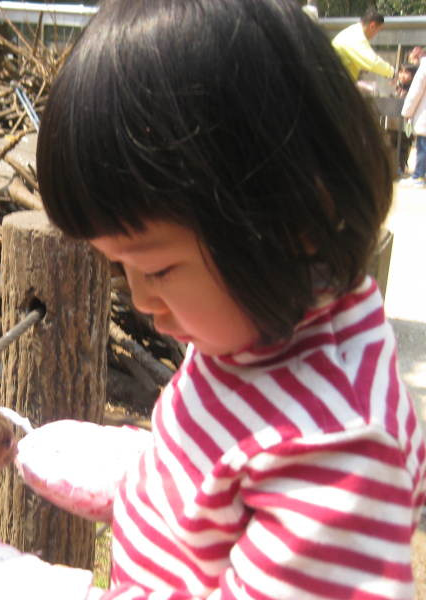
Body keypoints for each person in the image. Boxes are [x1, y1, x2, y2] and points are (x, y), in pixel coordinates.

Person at [34, 1, 426, 598]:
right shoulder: (261, 325)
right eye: (120, 267)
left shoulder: (332, 456)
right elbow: (224, 449)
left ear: (290, 220)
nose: (140, 300)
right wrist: (146, 473)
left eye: (157, 268)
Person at [331, 7, 395, 83]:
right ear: (372, 26)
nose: (376, 34)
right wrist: (393, 73)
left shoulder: (353, 31)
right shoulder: (356, 37)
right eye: (378, 30)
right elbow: (373, 62)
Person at [401, 47, 426, 187]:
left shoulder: (424, 68)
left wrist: (406, 112)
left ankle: (418, 176)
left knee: (423, 146)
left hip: (424, 115)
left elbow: (415, 93)